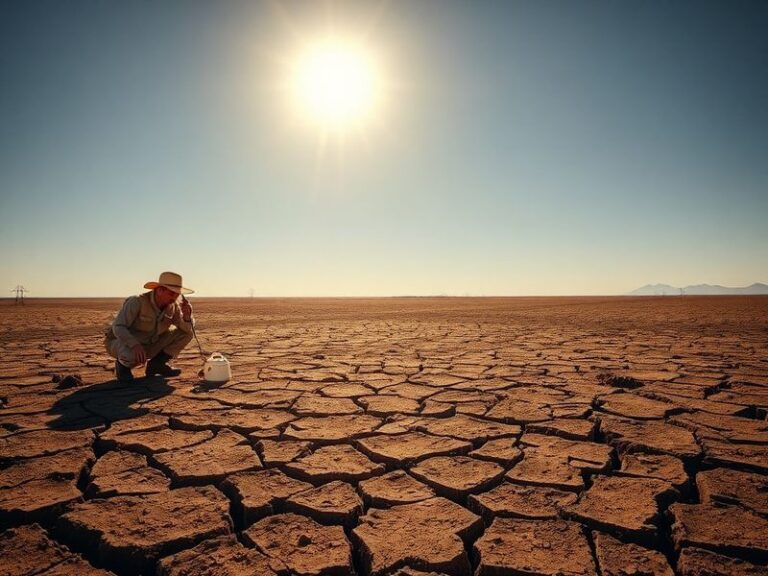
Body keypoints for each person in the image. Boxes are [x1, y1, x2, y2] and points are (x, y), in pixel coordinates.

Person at [105, 271, 195, 382]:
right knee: (129, 354)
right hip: (124, 343)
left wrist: (186, 317)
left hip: (151, 343)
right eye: (172, 293)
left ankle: (156, 365)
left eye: (177, 294)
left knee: (187, 333)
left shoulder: (173, 307)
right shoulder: (137, 301)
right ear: (160, 290)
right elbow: (118, 327)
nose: (175, 297)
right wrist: (135, 345)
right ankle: (122, 367)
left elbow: (186, 329)